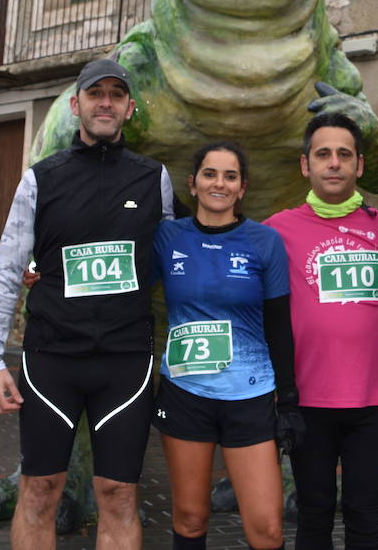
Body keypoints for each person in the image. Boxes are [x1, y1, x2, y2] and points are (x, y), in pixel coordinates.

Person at [0, 58, 175, 550]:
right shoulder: (40, 178)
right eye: (95, 94)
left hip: (126, 363)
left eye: (115, 94)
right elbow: (6, 270)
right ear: (76, 105)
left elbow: (175, 269)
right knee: (40, 490)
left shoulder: (156, 180)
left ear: (129, 108)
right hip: (51, 361)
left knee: (118, 494)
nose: (104, 102)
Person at [152, 141, 303, 550]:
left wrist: (288, 401)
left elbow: (278, 324)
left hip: (250, 395)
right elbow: (121, 287)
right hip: (185, 394)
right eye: (210, 174)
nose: (219, 183)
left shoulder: (264, 241)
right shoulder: (167, 237)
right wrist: (42, 272)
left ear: (242, 188)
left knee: (267, 529)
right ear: (193, 184)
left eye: (230, 176)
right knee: (189, 518)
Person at [264, 113, 378, 550]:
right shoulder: (276, 231)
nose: (334, 163)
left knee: (365, 517)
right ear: (306, 165)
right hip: (307, 403)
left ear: (360, 165)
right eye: (323, 154)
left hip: (374, 402)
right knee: (314, 515)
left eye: (344, 155)